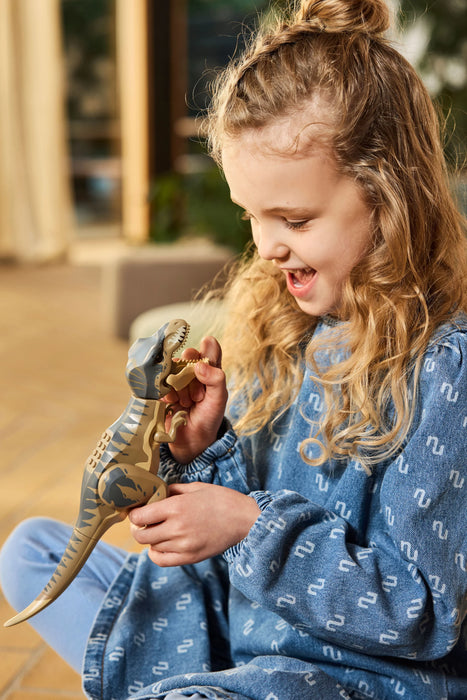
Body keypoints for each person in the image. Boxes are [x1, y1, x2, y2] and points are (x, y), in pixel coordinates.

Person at [1, 0, 466, 698]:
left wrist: (248, 529)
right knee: (30, 551)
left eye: (294, 219)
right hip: (242, 633)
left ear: (388, 195)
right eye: (253, 215)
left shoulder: (444, 369)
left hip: (348, 678)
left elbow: (420, 616)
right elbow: (238, 514)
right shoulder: (286, 323)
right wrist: (205, 451)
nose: (267, 246)